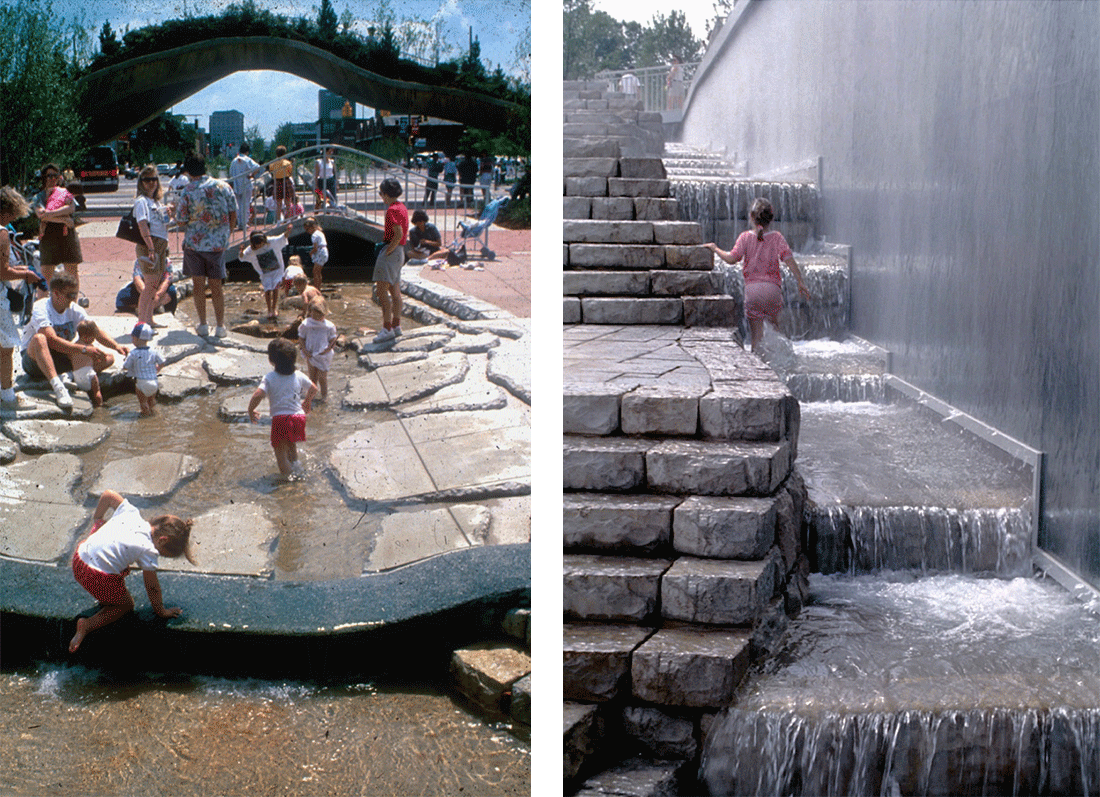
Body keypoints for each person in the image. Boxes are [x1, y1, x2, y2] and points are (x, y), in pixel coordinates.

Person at [68, 489, 194, 653]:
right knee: (125, 605)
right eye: (163, 554)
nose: (157, 556)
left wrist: (98, 518)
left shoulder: (131, 512)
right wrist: (161, 610)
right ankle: (87, 625)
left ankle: (107, 598)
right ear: (162, 541)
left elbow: (107, 495)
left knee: (117, 559)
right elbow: (152, 586)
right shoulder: (148, 548)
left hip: (79, 558)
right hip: (95, 576)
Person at [704, 197, 811, 354]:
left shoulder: (745, 237)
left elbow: (732, 259)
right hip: (773, 291)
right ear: (771, 219)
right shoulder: (777, 238)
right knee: (775, 332)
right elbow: (789, 260)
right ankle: (777, 366)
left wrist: (715, 248)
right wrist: (800, 282)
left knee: (756, 339)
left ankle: (758, 371)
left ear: (752, 217)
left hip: (753, 292)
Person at [21, 272, 127, 409]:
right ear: (56, 293)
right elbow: (51, 340)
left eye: (75, 295)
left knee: (108, 358)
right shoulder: (41, 307)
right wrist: (83, 350)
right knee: (40, 339)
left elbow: (95, 330)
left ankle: (70, 375)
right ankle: (58, 387)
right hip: (35, 360)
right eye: (69, 295)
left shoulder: (74, 309)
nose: (73, 299)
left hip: (62, 357)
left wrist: (117, 346)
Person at [175, 150, 236, 338]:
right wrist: (226, 233)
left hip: (194, 245)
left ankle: (202, 324)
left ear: (187, 171)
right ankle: (220, 326)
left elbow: (181, 221)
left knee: (198, 285)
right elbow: (234, 213)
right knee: (217, 286)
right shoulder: (224, 186)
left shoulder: (187, 191)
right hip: (217, 245)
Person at [247, 338, 318, 478]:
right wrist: (307, 402)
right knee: (291, 445)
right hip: (298, 417)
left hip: (281, 419)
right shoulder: (298, 375)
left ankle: (288, 481)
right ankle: (296, 468)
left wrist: (250, 410)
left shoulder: (270, 377)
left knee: (280, 454)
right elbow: (314, 388)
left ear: (271, 360)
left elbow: (257, 394)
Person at [1, 186, 44, 408]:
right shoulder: (1, 233)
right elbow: (2, 271)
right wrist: (26, 274)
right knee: (6, 346)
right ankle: (7, 397)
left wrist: (22, 270)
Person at [32, 163, 83, 295]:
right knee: (46, 274)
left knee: (71, 272)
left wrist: (48, 215)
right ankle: (44, 307)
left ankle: (72, 306)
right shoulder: (39, 197)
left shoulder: (65, 193)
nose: (52, 178)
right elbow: (40, 214)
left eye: (55, 175)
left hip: (67, 235)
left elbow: (71, 208)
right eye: (49, 176)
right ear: (43, 177)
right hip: (48, 236)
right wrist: (64, 219)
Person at [133, 164, 173, 326]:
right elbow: (142, 225)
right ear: (141, 182)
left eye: (154, 179)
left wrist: (170, 215)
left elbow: (164, 224)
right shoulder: (141, 202)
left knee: (154, 284)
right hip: (150, 244)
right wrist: (150, 247)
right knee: (149, 285)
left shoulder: (156, 202)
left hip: (161, 244)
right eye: (147, 179)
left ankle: (149, 318)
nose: (151, 183)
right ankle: (142, 321)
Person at [372, 177, 408, 343]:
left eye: (381, 193)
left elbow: (398, 233)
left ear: (386, 194)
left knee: (381, 291)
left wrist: (387, 252)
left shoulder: (392, 210)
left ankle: (386, 328)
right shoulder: (402, 207)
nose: (381, 197)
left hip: (392, 251)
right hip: (400, 252)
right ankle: (396, 325)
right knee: (395, 291)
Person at [240, 230, 289, 321]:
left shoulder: (270, 242)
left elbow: (281, 238)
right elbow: (243, 257)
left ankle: (274, 308)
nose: (259, 246)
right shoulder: (251, 249)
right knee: (267, 289)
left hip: (276, 270)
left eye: (261, 243)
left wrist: (287, 232)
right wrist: (241, 252)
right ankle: (269, 309)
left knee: (275, 288)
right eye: (257, 244)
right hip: (265, 273)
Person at [298, 298, 338, 402]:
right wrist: (304, 350)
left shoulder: (328, 326)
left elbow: (333, 339)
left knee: (322, 377)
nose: (317, 318)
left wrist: (329, 348)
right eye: (315, 315)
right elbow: (301, 337)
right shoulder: (306, 324)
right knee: (312, 377)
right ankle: (311, 396)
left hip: (323, 354)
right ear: (310, 312)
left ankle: (324, 397)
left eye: (320, 316)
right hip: (310, 353)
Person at [122, 322, 165, 416]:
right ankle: (155, 415)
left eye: (132, 338)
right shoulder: (154, 351)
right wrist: (158, 368)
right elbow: (162, 362)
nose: (132, 340)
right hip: (154, 382)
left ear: (136, 338)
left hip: (141, 383)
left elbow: (126, 366)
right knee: (151, 400)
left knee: (143, 403)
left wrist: (126, 359)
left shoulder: (133, 353)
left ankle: (145, 418)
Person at [66, 320, 105, 407]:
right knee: (97, 391)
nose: (93, 340)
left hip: (77, 376)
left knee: (84, 392)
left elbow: (69, 357)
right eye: (93, 338)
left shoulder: (74, 347)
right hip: (89, 374)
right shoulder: (90, 348)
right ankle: (99, 405)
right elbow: (100, 357)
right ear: (86, 337)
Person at [228, 143, 261, 232]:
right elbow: (257, 167)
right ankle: (244, 223)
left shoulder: (234, 161)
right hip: (246, 184)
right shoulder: (247, 160)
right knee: (245, 204)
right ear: (247, 151)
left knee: (238, 205)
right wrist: (251, 175)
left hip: (236, 184)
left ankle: (239, 223)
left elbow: (230, 174)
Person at [267, 145, 296, 222]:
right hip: (286, 180)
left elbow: (271, 172)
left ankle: (278, 221)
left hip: (277, 181)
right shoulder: (288, 163)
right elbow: (290, 173)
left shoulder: (272, 163)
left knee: (278, 204)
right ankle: (289, 219)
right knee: (288, 203)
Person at [303, 217, 329, 287]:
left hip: (320, 252)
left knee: (315, 272)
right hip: (324, 251)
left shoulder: (314, 235)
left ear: (311, 227)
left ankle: (317, 287)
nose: (307, 231)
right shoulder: (320, 232)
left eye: (307, 229)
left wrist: (311, 253)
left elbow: (315, 248)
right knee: (318, 272)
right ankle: (318, 287)